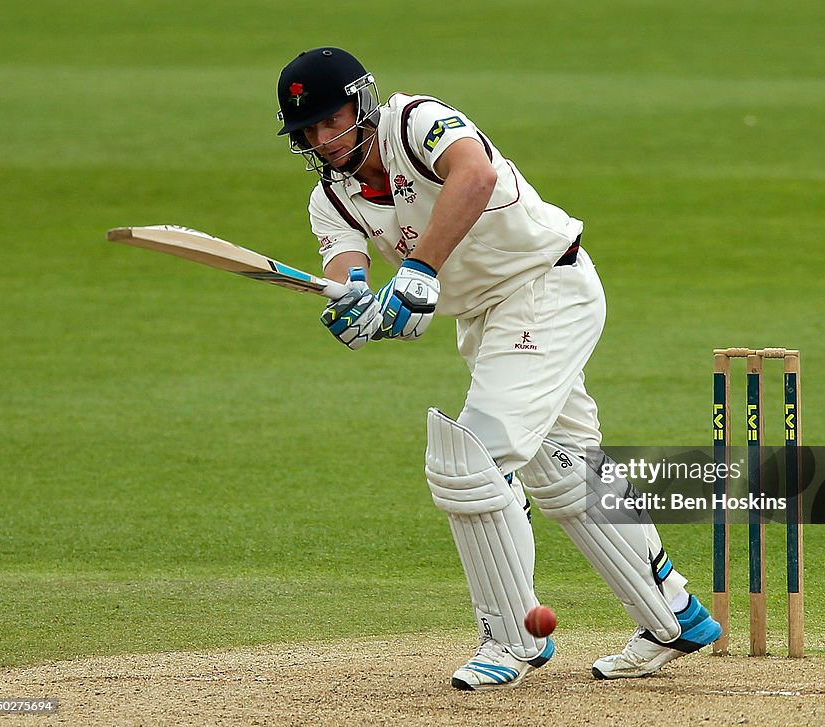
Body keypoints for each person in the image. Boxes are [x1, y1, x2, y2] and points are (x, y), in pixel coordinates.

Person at [274, 47, 722, 690]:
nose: (322, 139)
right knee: (561, 468)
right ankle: (673, 613)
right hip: (487, 320)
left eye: (329, 120)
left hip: (546, 287)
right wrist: (353, 304)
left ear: (362, 102)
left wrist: (418, 272)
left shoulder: (417, 122)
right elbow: (349, 267)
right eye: (307, 131)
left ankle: (511, 639)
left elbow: (475, 177)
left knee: (470, 459)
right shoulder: (330, 197)